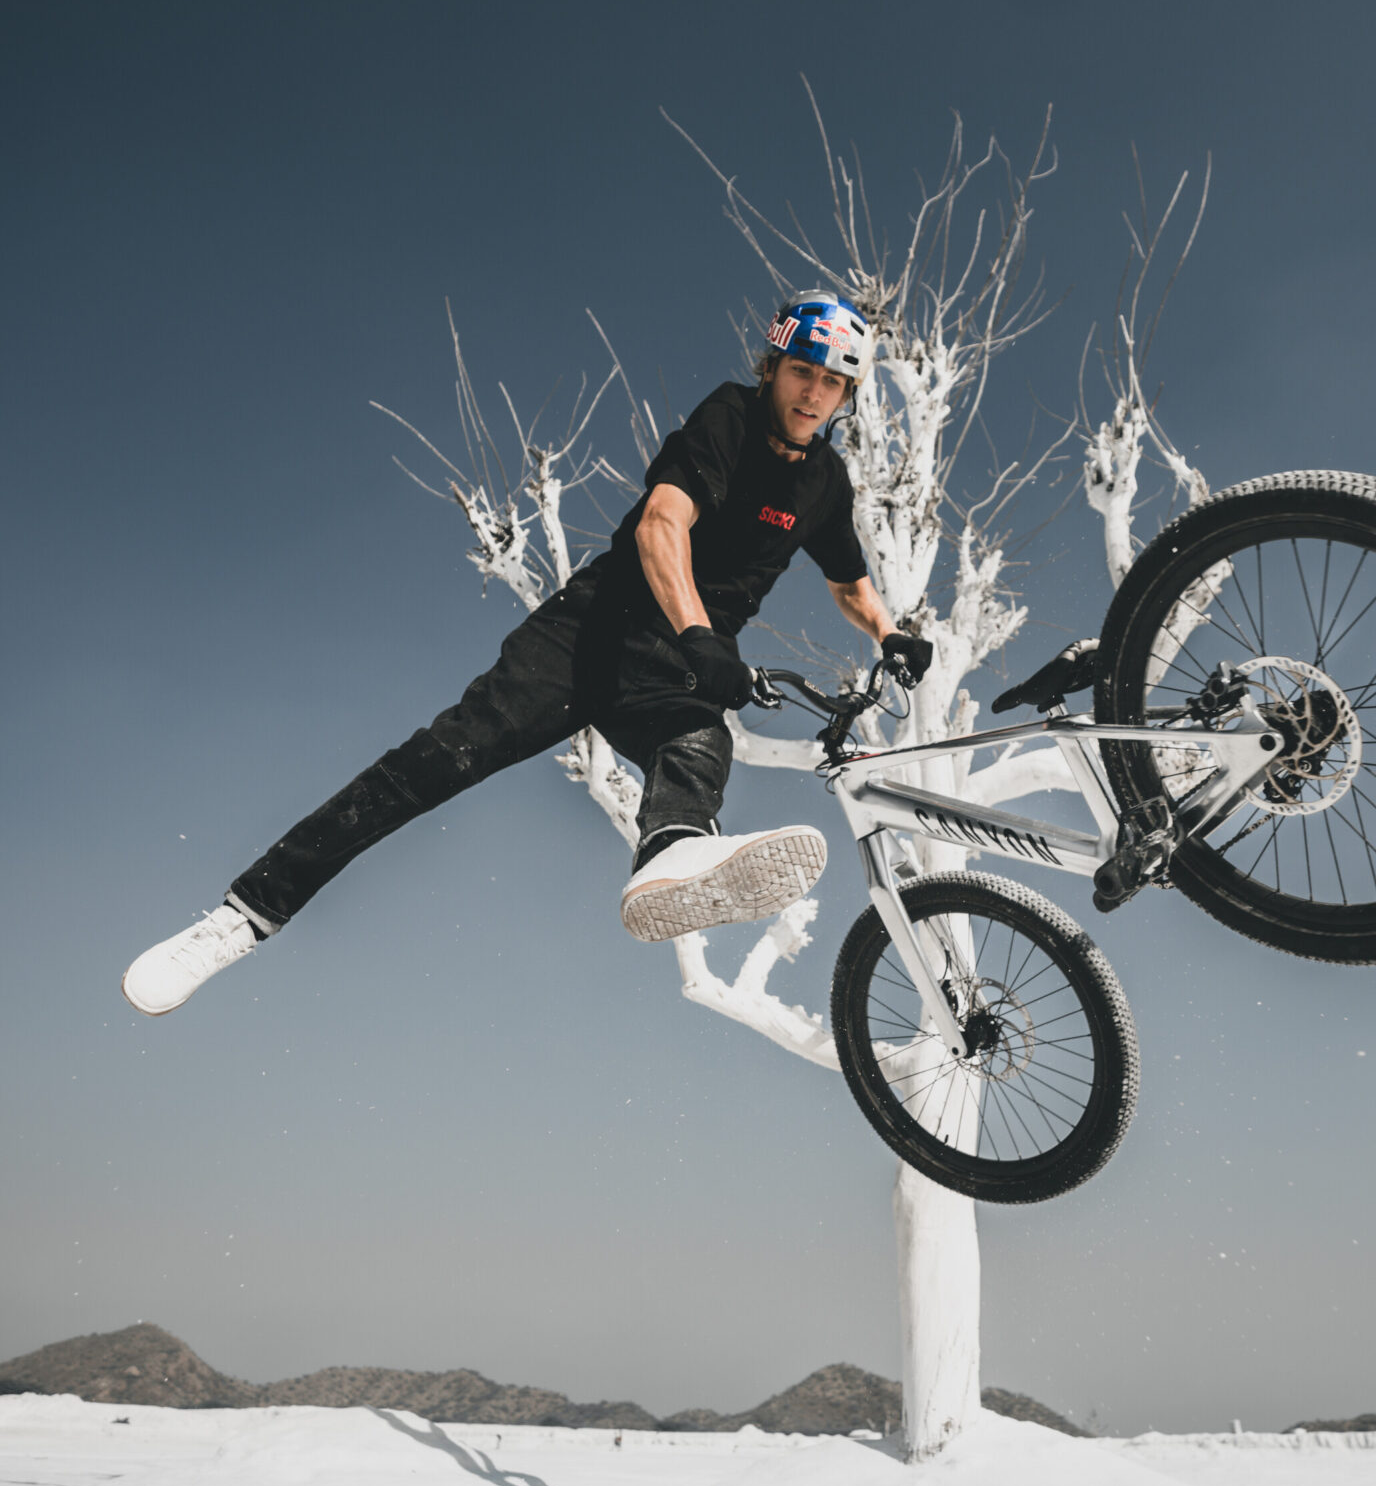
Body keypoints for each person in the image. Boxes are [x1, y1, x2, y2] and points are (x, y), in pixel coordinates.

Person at [121, 292, 932, 1016]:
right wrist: (697, 631)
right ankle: (241, 917)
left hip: (676, 659)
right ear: (772, 369)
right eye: (801, 373)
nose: (813, 394)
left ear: (847, 395)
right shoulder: (728, 417)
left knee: (697, 742)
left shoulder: (825, 482)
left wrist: (889, 633)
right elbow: (661, 523)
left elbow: (848, 583)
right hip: (593, 631)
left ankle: (670, 851)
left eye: (832, 384)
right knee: (438, 762)